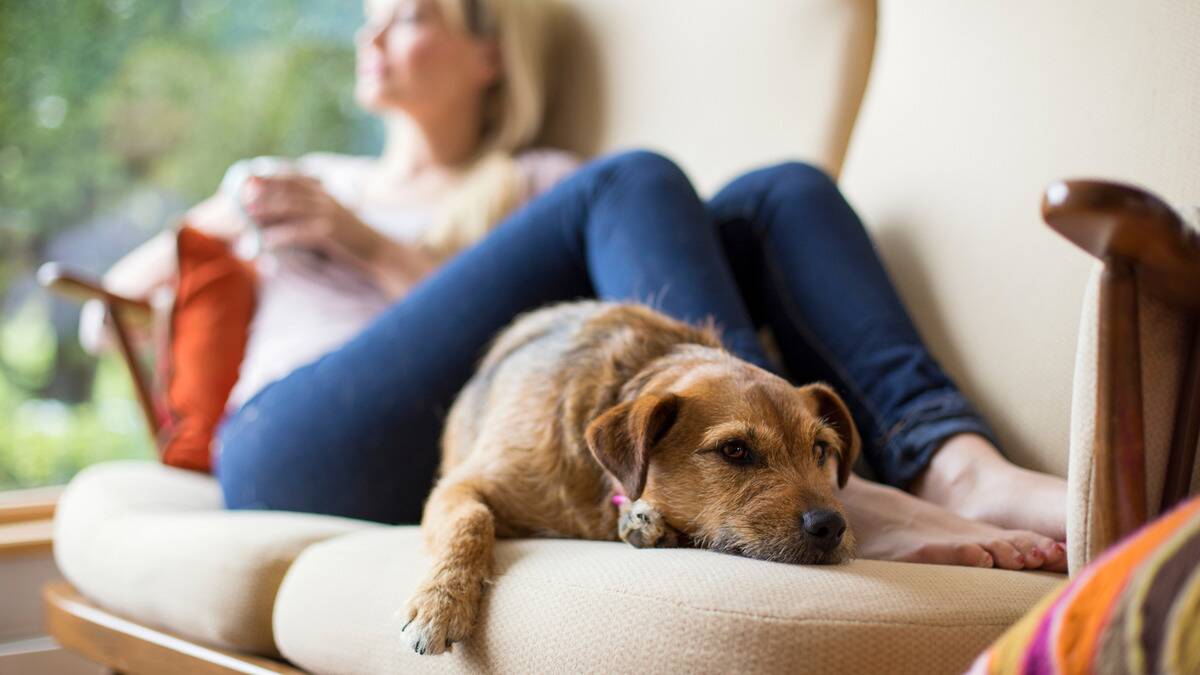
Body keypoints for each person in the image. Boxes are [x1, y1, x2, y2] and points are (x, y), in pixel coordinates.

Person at [91, 0, 1068, 571]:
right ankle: (855, 503)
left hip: (470, 437)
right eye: (372, 15)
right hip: (291, 442)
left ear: (490, 53)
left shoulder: (543, 185)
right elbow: (109, 316)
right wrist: (242, 245)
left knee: (782, 193)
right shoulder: (302, 177)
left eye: (414, 10)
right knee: (636, 177)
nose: (376, 31)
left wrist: (372, 250)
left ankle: (952, 461)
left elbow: (559, 369)